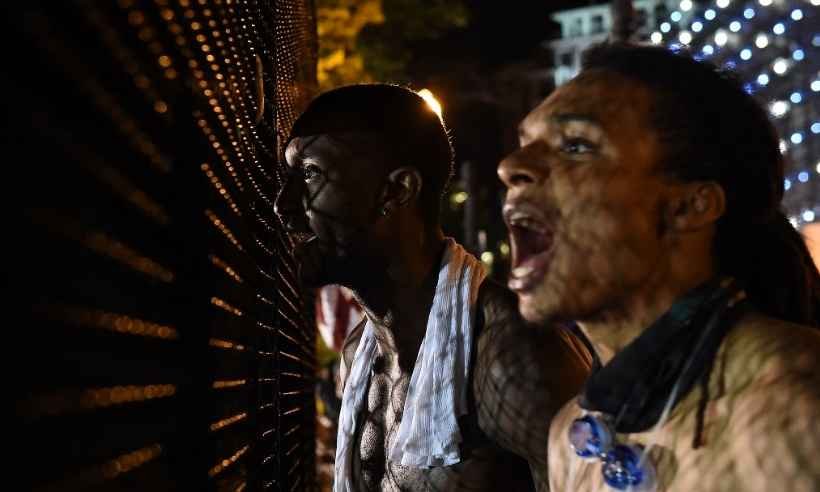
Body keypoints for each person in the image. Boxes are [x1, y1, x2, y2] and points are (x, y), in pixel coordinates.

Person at [498, 42, 820, 492]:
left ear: (690, 206)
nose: (511, 167)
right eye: (524, 145)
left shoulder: (797, 402)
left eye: (576, 145)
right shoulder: (571, 434)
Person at [275, 84, 591, 491]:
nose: (284, 205)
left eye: (312, 174)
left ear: (397, 190)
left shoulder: (513, 352)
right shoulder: (360, 353)